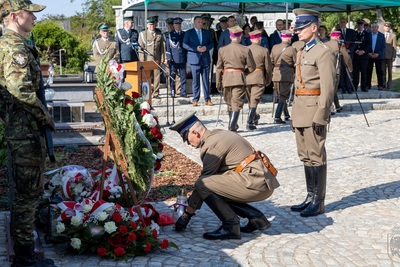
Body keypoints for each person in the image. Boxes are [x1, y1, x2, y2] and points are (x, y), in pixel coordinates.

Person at [0, 1, 56, 266]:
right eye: (29, 13)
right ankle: (25, 260)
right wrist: (45, 118)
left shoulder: (17, 45)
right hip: (26, 133)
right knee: (26, 195)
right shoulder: (14, 48)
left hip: (22, 130)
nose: (34, 17)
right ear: (14, 16)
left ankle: (24, 254)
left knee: (25, 192)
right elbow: (20, 90)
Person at [170, 112, 279, 240]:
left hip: (255, 184)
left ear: (195, 133)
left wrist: (186, 215)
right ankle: (256, 218)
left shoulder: (211, 146)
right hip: (261, 181)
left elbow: (203, 184)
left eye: (186, 138)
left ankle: (230, 226)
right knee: (216, 186)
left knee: (203, 184)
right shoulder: (217, 134)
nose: (187, 143)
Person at [290, 8, 336, 217]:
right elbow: (299, 85)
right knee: (305, 156)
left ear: (314, 28)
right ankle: (310, 196)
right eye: (297, 28)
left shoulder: (323, 52)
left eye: (301, 28)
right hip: (301, 110)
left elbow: (328, 87)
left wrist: (321, 114)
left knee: (316, 155)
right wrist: (293, 114)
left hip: (313, 111)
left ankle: (318, 201)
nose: (297, 31)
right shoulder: (303, 51)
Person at [216, 26, 256, 131]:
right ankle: (232, 126)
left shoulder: (222, 49)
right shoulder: (245, 49)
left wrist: (218, 82)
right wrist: (244, 72)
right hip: (239, 78)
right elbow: (252, 67)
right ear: (240, 36)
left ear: (230, 36)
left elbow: (219, 67)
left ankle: (232, 124)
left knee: (230, 102)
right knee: (236, 102)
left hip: (226, 78)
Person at [183, 16, 214, 107]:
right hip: (195, 59)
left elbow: (211, 43)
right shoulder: (189, 33)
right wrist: (195, 49)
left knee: (205, 80)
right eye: (199, 22)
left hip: (205, 59)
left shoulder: (207, 32)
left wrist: (206, 48)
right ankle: (195, 99)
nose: (201, 24)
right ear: (194, 23)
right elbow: (184, 44)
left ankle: (207, 99)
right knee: (195, 81)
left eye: (202, 22)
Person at [246, 30, 272, 130]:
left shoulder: (245, 49)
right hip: (258, 77)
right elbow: (268, 67)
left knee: (250, 100)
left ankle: (254, 118)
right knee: (254, 100)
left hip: (247, 77)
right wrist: (268, 78)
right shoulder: (264, 50)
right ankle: (249, 122)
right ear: (259, 38)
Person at [271, 31, 296, 124]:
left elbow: (271, 60)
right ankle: (277, 116)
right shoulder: (291, 49)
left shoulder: (274, 47)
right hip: (286, 74)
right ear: (289, 38)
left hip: (276, 74)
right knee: (283, 96)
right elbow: (296, 62)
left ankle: (286, 114)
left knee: (281, 94)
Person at [325, 31, 353, 114]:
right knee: (333, 88)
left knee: (331, 88)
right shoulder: (339, 45)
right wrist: (350, 67)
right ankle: (330, 107)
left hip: (324, 69)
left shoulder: (324, 44)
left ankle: (337, 106)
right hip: (335, 69)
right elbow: (346, 57)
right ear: (338, 37)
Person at [138, 18, 165, 99]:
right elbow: (140, 48)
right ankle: (146, 92)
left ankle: (156, 93)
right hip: (147, 59)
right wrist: (142, 60)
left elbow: (162, 48)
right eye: (150, 25)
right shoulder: (143, 34)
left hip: (156, 58)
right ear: (147, 25)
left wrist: (163, 58)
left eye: (152, 25)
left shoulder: (159, 34)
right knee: (147, 76)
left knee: (157, 76)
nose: (151, 26)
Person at [166, 18, 187, 98]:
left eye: (179, 24)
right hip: (173, 58)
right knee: (172, 75)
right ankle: (172, 91)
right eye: (176, 24)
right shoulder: (170, 35)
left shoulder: (184, 34)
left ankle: (183, 91)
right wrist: (168, 57)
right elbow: (168, 47)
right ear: (173, 25)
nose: (178, 26)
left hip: (182, 58)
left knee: (183, 76)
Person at [338, 18, 357, 94]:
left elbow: (354, 42)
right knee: (341, 71)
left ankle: (349, 88)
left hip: (349, 53)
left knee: (349, 70)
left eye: (344, 22)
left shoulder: (351, 32)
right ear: (339, 23)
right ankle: (343, 87)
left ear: (346, 23)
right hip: (340, 54)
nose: (342, 23)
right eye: (341, 22)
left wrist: (350, 50)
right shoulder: (337, 32)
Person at [353, 19, 371, 92]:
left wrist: (363, 51)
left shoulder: (367, 34)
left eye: (361, 25)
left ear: (363, 26)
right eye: (359, 25)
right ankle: (355, 86)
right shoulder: (354, 33)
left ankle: (363, 87)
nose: (360, 26)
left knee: (364, 72)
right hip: (356, 55)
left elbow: (369, 44)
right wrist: (356, 50)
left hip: (364, 56)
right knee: (355, 72)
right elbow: (353, 43)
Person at [366, 22, 386, 90]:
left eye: (375, 27)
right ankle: (368, 85)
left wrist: (378, 54)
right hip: (370, 55)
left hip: (378, 56)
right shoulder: (368, 35)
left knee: (379, 71)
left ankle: (380, 85)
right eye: (372, 27)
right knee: (368, 71)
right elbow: (366, 45)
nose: (374, 28)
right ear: (371, 28)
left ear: (377, 28)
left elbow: (383, 46)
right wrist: (369, 53)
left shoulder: (381, 35)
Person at [382, 22, 397, 90]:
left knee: (390, 71)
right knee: (383, 71)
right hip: (382, 56)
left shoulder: (393, 36)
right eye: (386, 26)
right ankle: (383, 84)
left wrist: (394, 56)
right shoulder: (381, 35)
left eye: (388, 26)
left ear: (390, 28)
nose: (387, 27)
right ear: (384, 27)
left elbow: (394, 46)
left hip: (390, 55)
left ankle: (389, 84)